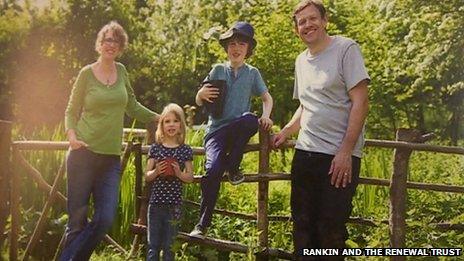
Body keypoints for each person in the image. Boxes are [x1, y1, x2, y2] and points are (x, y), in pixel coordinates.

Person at [272, 0, 370, 259]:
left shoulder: (346, 49)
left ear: (325, 21)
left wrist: (346, 152)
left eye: (313, 18)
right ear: (296, 30)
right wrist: (287, 131)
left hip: (338, 157)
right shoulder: (301, 61)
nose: (307, 25)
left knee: (330, 229)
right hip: (305, 154)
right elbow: (306, 106)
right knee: (302, 226)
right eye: (301, 22)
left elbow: (360, 101)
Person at [62, 21, 159, 261]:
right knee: (76, 224)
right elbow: (70, 111)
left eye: (116, 41)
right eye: (107, 40)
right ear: (99, 44)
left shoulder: (122, 72)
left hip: (110, 160)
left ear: (121, 46)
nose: (111, 45)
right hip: (82, 154)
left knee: (104, 218)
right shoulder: (86, 73)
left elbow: (133, 106)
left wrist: (160, 116)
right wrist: (72, 137)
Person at [189, 21, 273, 238]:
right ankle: (201, 225)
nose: (236, 48)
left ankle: (233, 167)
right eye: (232, 44)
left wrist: (266, 116)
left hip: (237, 129)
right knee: (213, 170)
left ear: (248, 49)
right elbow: (199, 99)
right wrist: (200, 95)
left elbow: (266, 98)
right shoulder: (217, 69)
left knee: (250, 120)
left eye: (242, 44)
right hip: (216, 132)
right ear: (227, 47)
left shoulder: (253, 73)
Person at [145, 103, 194, 261]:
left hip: (174, 206)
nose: (171, 124)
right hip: (156, 204)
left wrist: (179, 173)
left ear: (181, 125)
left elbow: (190, 177)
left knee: (169, 247)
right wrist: (157, 171)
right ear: (162, 126)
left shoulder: (185, 150)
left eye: (175, 121)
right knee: (153, 246)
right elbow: (147, 176)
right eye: (167, 121)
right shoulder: (156, 148)